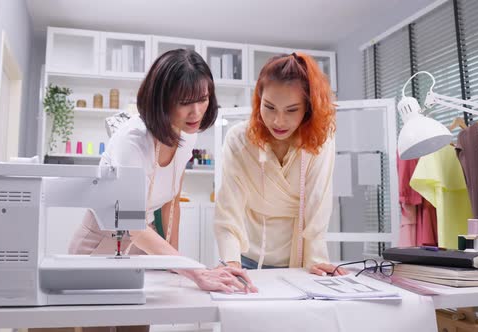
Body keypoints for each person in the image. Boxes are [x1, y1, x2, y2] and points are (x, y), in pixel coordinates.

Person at [67, 49, 256, 332]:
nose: (196, 112)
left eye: (203, 99)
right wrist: (194, 270)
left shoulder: (187, 133)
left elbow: (172, 203)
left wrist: (173, 265)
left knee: (137, 327)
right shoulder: (133, 142)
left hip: (144, 247)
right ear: (161, 99)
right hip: (101, 244)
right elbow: (131, 225)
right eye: (185, 103)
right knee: (99, 326)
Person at [213, 52, 348, 276]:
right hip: (246, 260)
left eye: (292, 110)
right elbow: (229, 207)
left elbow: (318, 204)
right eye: (269, 107)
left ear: (308, 107)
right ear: (258, 100)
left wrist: (316, 259)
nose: (279, 121)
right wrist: (230, 262)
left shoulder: (320, 141)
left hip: (299, 264)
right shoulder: (239, 139)